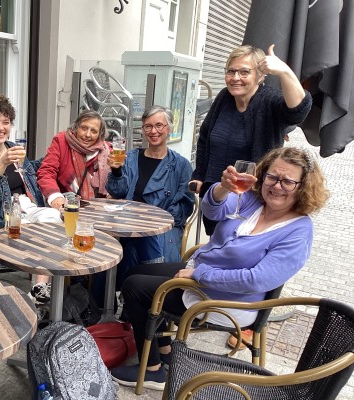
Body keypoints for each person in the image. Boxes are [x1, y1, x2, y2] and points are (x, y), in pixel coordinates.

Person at [110, 147, 329, 390]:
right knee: (135, 271)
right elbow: (212, 210)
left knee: (134, 288)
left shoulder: (298, 231)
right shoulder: (253, 199)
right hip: (203, 273)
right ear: (262, 174)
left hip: (230, 300)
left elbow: (255, 281)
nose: (277, 186)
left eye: (288, 181)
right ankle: (165, 350)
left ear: (303, 186)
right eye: (272, 177)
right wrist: (223, 188)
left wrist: (199, 274)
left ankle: (152, 371)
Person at [190, 44, 312, 236]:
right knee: (218, 241)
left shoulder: (269, 100)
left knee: (239, 244)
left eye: (244, 72)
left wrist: (284, 72)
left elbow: (298, 111)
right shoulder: (224, 97)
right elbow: (205, 137)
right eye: (231, 71)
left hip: (251, 199)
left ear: (260, 76)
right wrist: (199, 174)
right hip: (217, 194)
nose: (235, 78)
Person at [0, 95, 61, 304]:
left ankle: (39, 289)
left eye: (6, 122)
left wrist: (56, 154)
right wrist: (0, 166)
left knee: (54, 217)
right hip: (3, 215)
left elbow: (33, 172)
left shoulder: (14, 148)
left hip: (27, 206)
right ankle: (40, 294)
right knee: (40, 234)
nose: (1, 127)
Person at [106, 105, 195, 269]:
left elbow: (184, 207)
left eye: (159, 125)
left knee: (131, 249)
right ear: (143, 130)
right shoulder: (131, 157)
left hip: (162, 230)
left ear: (169, 128)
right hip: (126, 225)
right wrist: (117, 171)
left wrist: (151, 221)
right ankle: (115, 293)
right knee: (108, 247)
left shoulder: (181, 165)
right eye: (148, 126)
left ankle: (119, 291)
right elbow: (117, 192)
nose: (153, 131)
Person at [37, 110, 111, 210]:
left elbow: (117, 188)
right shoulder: (61, 141)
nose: (88, 135)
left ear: (99, 135)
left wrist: (118, 171)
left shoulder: (107, 152)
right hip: (66, 206)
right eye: (84, 128)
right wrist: (55, 196)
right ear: (76, 128)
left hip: (98, 209)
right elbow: (46, 172)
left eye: (94, 131)